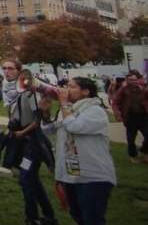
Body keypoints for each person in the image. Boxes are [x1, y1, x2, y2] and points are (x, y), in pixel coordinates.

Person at [41, 77, 116, 225]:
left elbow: (74, 127)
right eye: (67, 86)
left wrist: (63, 104)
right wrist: (45, 113)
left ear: (85, 92)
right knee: (78, 216)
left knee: (92, 219)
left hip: (93, 177)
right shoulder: (69, 109)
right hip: (72, 175)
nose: (67, 90)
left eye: (72, 87)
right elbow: (47, 130)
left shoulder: (96, 111)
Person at [6, 68, 57, 225]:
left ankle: (32, 217)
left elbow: (38, 119)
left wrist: (22, 132)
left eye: (10, 69)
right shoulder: (21, 94)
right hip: (26, 141)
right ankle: (48, 216)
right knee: (31, 179)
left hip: (32, 142)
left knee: (26, 178)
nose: (7, 72)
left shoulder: (31, 95)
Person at [112, 69, 148, 164]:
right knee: (131, 139)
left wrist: (143, 88)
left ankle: (144, 152)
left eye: (135, 79)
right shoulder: (123, 90)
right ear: (127, 80)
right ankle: (133, 156)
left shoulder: (142, 88)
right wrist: (118, 114)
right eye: (131, 80)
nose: (133, 81)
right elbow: (115, 102)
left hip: (144, 116)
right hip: (130, 117)